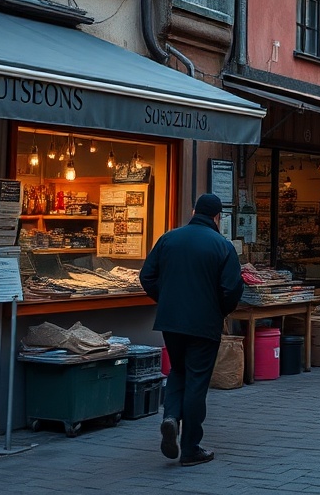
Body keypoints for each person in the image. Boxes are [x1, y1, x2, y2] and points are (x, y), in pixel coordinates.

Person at [139, 194, 243, 467]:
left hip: (171, 321)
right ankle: (190, 447)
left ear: (194, 210)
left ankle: (170, 417)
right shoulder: (222, 246)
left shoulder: (168, 238)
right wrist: (219, 310)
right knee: (197, 380)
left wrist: (166, 300)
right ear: (218, 216)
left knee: (178, 370)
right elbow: (232, 289)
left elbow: (146, 276)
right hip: (204, 324)